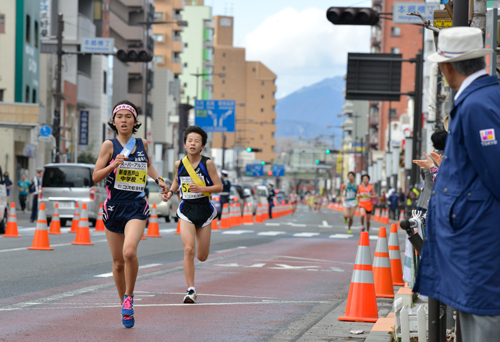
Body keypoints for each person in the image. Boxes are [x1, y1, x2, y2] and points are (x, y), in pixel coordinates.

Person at [412, 27, 500, 340]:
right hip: (475, 231)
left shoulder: (477, 106)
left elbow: (496, 170)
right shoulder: (482, 99)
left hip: (477, 234)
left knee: (482, 316)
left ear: (447, 67)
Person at [93, 100, 167, 328]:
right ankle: (124, 304)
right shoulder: (109, 145)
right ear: (113, 122)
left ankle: (129, 296)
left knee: (129, 252)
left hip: (136, 206)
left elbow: (148, 166)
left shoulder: (142, 143)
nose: (124, 120)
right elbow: (96, 176)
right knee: (117, 263)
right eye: (120, 116)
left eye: (128, 116)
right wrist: (113, 164)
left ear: (135, 121)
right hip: (114, 207)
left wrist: (160, 181)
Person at [162, 125, 222, 304]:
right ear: (184, 144)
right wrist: (170, 193)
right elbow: (176, 181)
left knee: (202, 256)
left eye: (197, 141)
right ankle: (191, 290)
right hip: (186, 210)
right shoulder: (179, 164)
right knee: (188, 250)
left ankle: (193, 284)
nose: (193, 144)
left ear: (202, 146)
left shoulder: (207, 163)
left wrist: (202, 188)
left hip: (204, 210)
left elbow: (219, 187)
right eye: (190, 141)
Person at [415, 130, 447, 214]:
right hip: (445, 203)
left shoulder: (426, 158)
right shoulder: (452, 158)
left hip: (426, 201)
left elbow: (423, 176)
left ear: (433, 144)